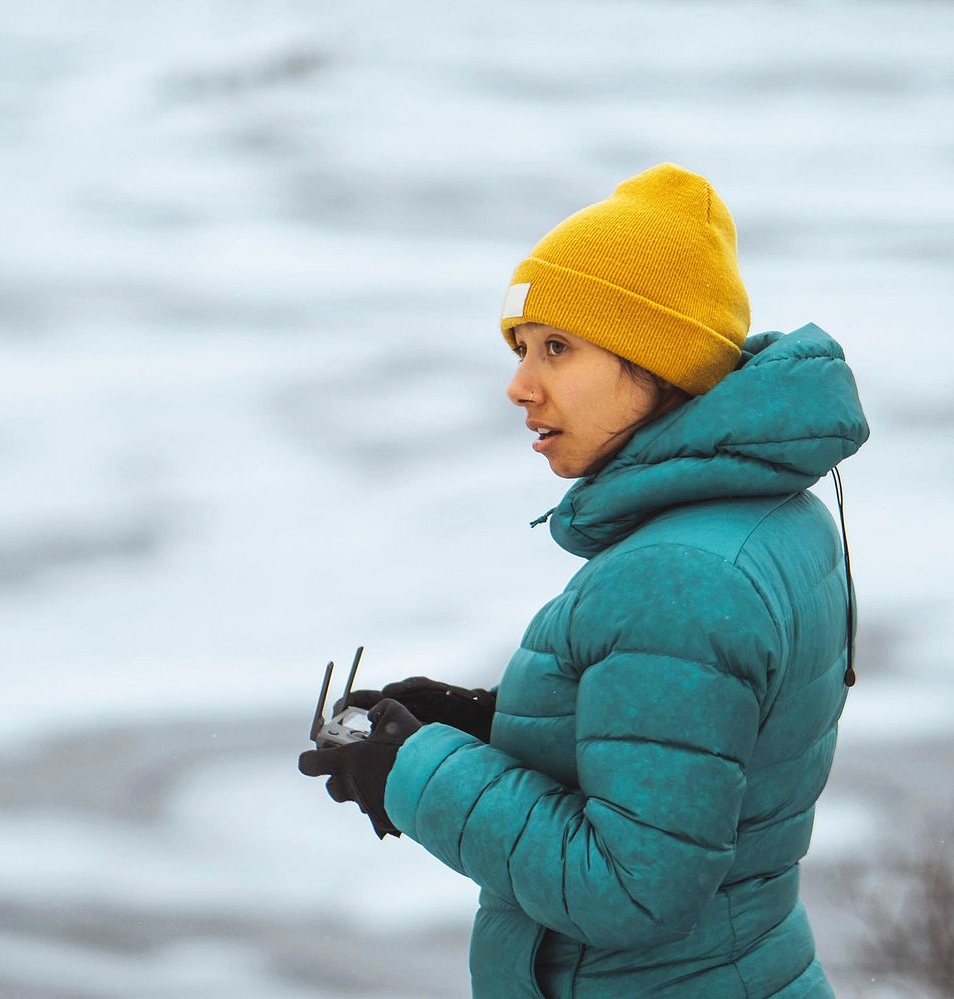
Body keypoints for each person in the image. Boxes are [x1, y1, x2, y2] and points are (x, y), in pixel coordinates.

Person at [299, 163, 870, 998]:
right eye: (522, 348)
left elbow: (634, 886)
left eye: (556, 348)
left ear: (657, 356)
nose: (519, 385)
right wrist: (480, 725)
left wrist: (416, 773)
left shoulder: (676, 575)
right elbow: (689, 752)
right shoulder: (772, 515)